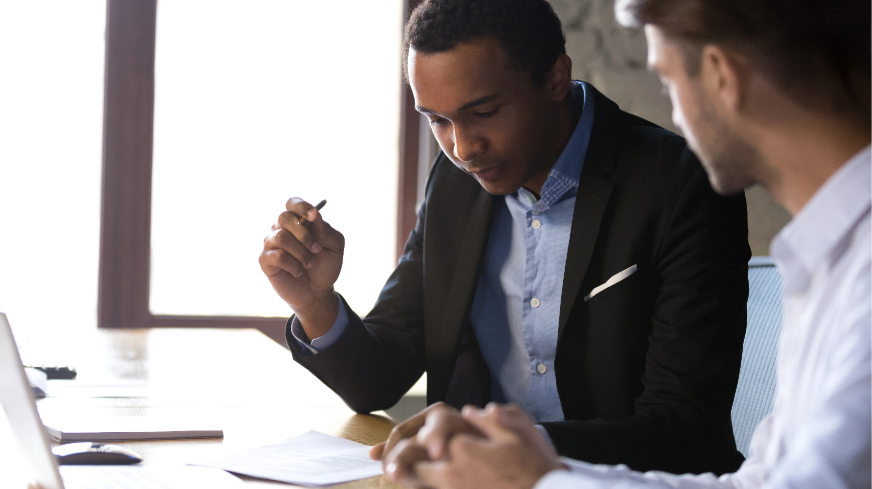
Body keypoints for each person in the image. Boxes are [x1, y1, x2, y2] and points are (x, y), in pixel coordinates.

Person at [383, 0, 872, 487]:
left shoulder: (857, 272)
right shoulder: (827, 257)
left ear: (723, 76)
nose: (463, 149)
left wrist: (532, 475)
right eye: (437, 119)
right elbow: (763, 483)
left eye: (665, 80)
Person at [259, 0, 751, 475]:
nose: (463, 148)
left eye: (485, 112)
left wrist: (496, 443)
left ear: (556, 78)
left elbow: (686, 432)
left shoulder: (682, 185)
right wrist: (315, 303)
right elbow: (380, 378)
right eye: (437, 120)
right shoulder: (455, 182)